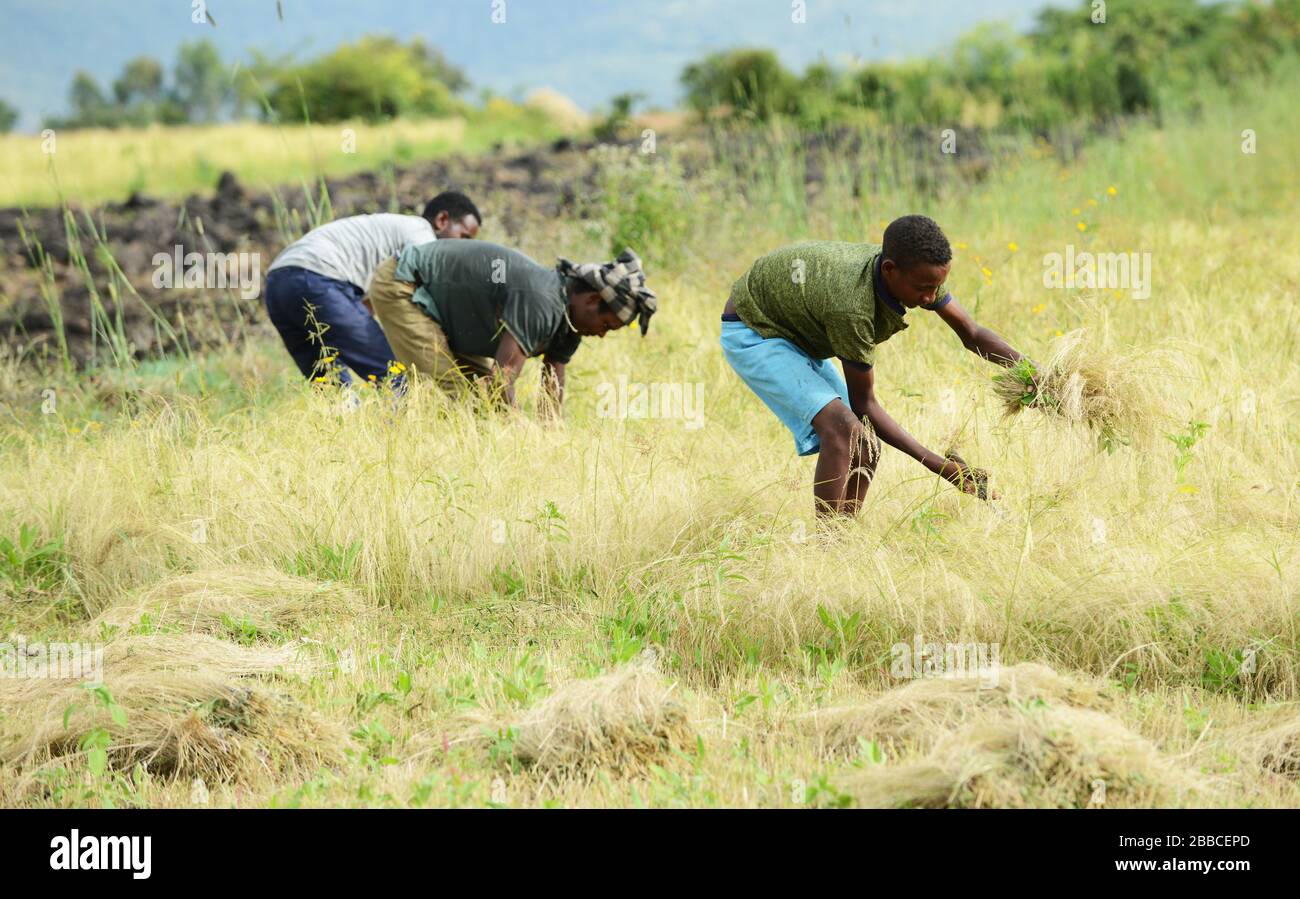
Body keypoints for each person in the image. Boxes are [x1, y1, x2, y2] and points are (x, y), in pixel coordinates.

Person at [720, 214, 1031, 517]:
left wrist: (1039, 375)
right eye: (923, 289)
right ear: (889, 270)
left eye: (937, 287)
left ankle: (845, 539)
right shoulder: (852, 307)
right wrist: (942, 467)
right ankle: (827, 545)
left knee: (866, 444)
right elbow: (865, 405)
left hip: (796, 330)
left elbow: (972, 333)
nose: (930, 297)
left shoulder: (921, 273)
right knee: (845, 430)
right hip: (754, 330)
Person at [366, 240, 656, 416]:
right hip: (404, 285)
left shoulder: (572, 320)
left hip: (442, 307)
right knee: (452, 390)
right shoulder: (542, 301)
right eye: (606, 324)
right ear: (592, 299)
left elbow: (553, 378)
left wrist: (551, 435)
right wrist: (519, 434)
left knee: (478, 402)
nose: (602, 334)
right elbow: (500, 382)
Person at [263, 191, 482, 383]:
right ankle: (402, 430)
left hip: (277, 285)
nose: (463, 247)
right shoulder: (421, 231)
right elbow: (433, 285)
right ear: (442, 220)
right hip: (317, 279)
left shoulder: (387, 235)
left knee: (330, 387)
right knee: (394, 376)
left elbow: (368, 308)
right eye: (463, 237)